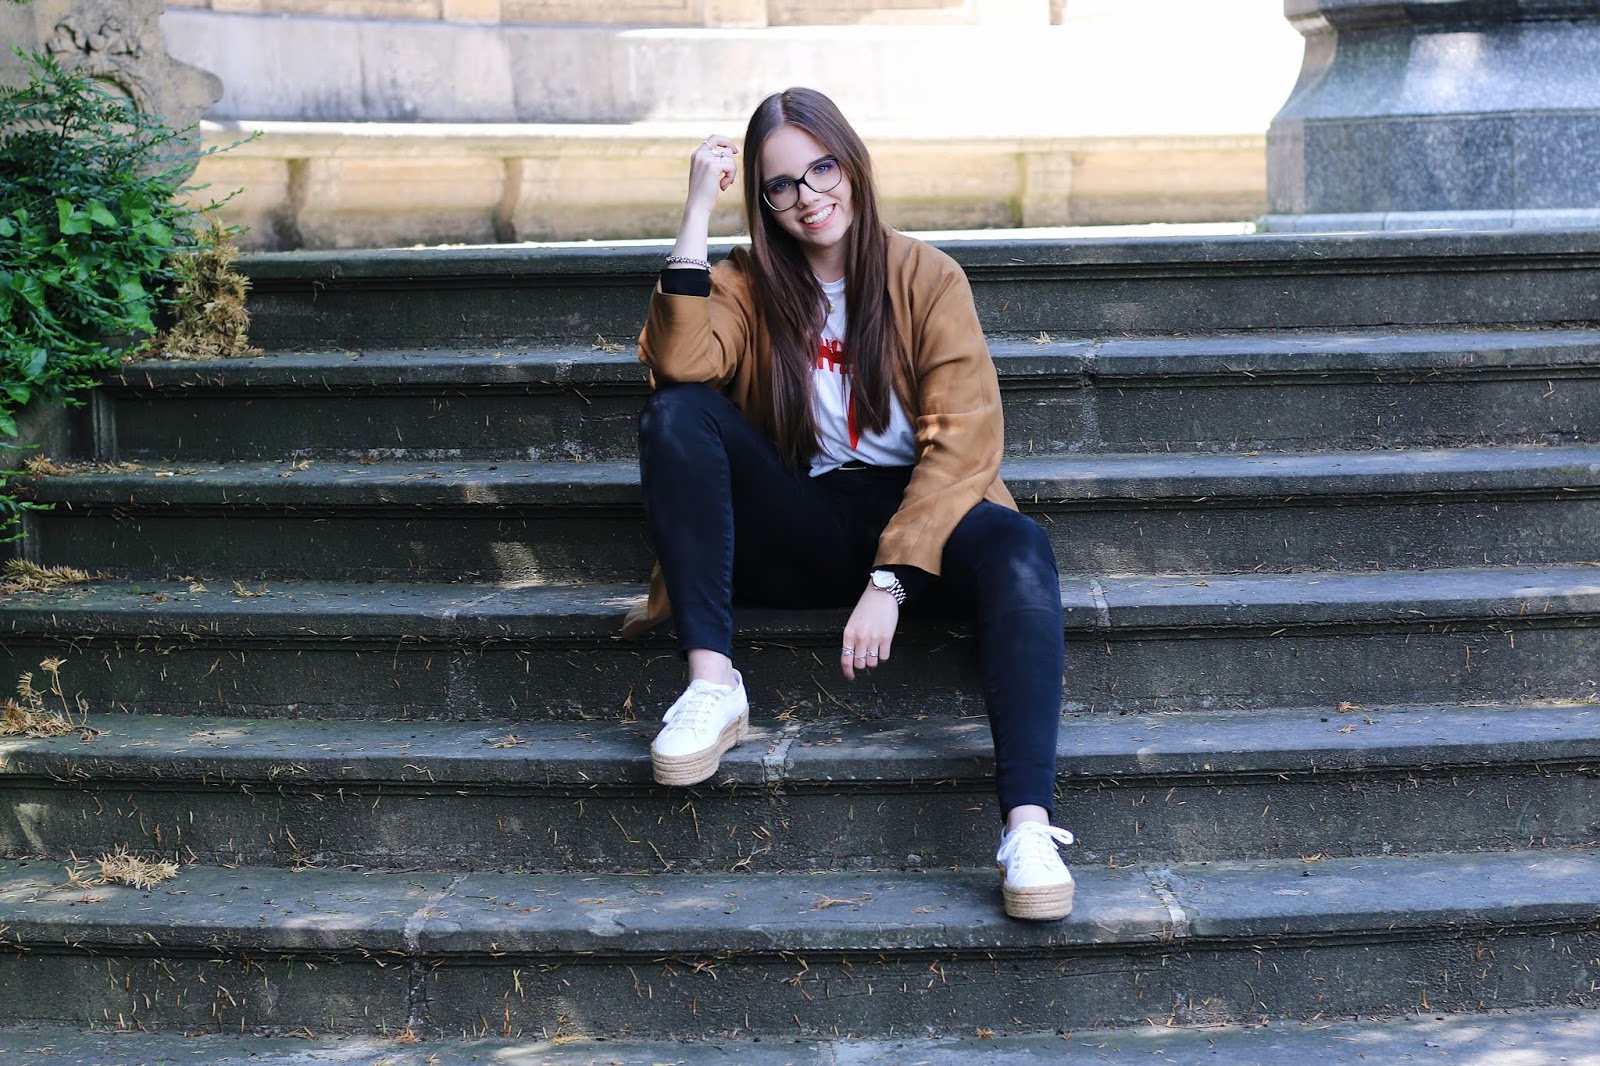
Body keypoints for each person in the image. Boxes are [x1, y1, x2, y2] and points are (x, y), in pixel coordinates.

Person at [620, 87, 1074, 921]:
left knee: (1020, 548)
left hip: (921, 521)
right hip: (807, 519)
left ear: (852, 165)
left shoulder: (927, 277)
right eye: (780, 185)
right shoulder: (749, 284)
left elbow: (966, 441)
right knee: (677, 412)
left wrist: (892, 578)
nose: (808, 197)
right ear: (762, 201)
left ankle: (1028, 831)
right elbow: (681, 362)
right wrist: (695, 211)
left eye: (821, 169)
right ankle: (713, 686)